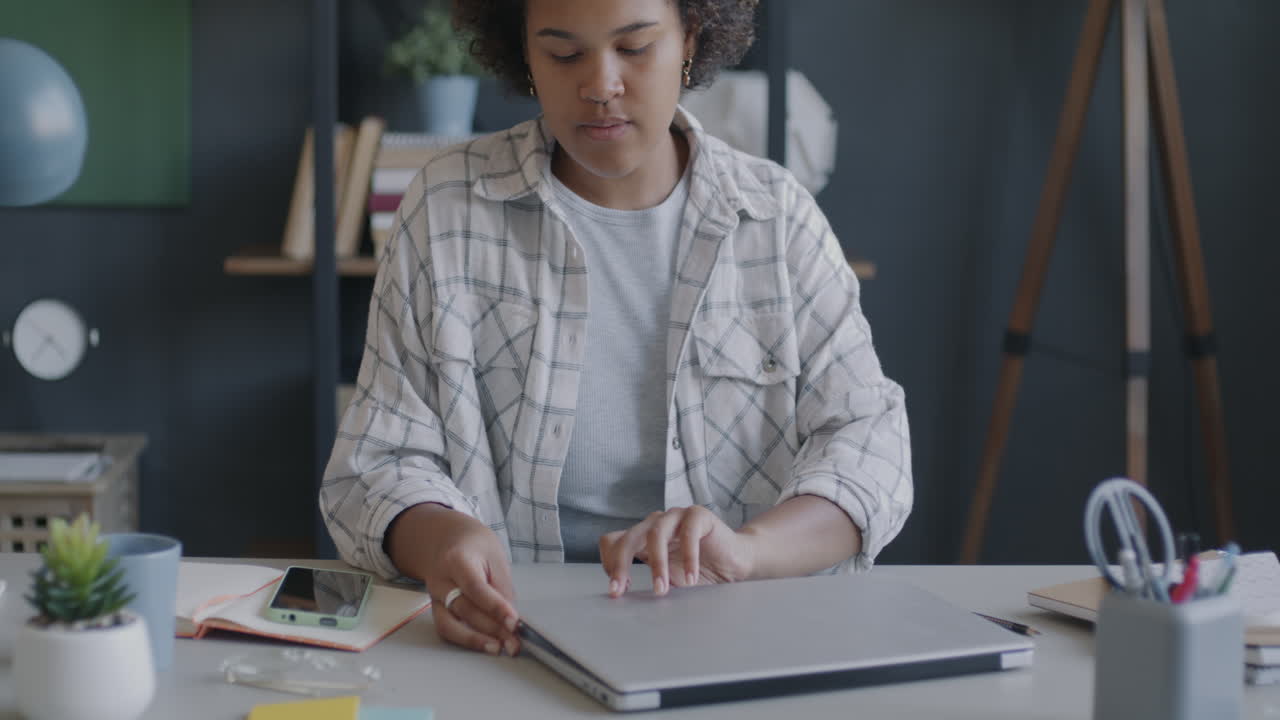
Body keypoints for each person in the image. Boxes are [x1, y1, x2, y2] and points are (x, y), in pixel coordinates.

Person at [321, 0, 912, 658]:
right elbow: (377, 464)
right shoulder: (447, 207)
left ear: (689, 39)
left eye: (634, 49)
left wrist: (749, 551)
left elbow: (870, 449)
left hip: (740, 635)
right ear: (523, 54)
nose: (600, 86)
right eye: (564, 53)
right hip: (508, 640)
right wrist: (442, 540)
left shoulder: (776, 218)